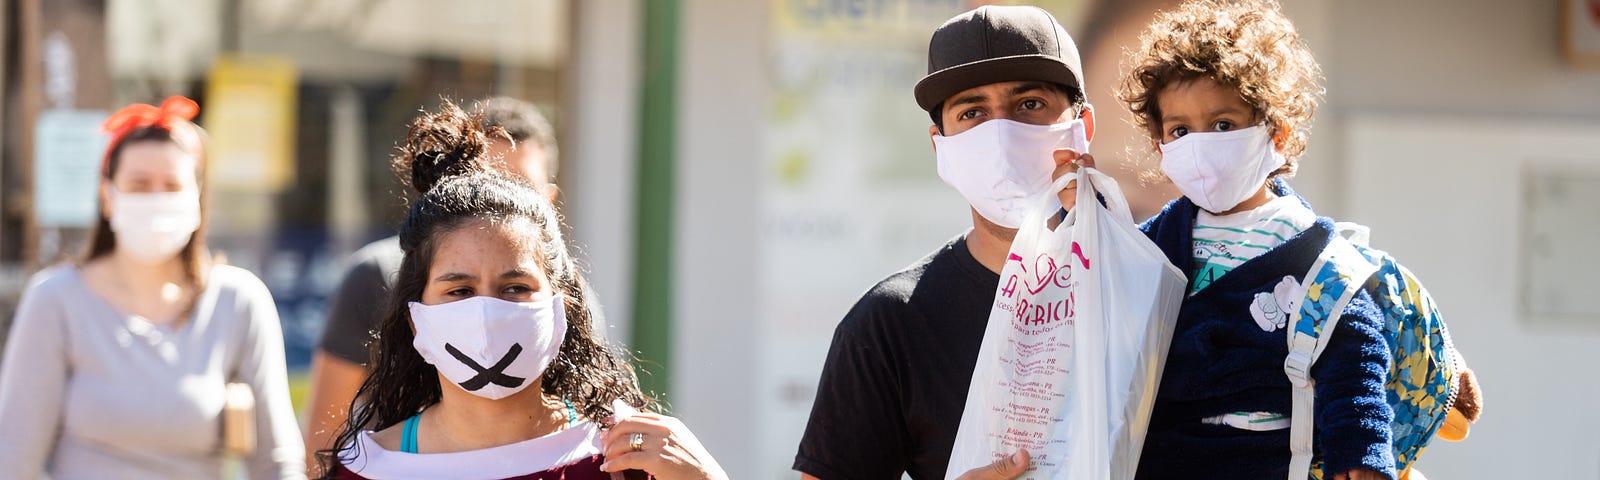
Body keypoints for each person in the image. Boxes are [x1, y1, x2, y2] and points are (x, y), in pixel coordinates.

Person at [1054, 0, 1394, 478]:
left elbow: (1354, 356)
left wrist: (1361, 453)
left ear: (1277, 133)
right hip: (1162, 457)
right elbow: (1107, 288)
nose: (1200, 144)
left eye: (1222, 125)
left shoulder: (1316, 254)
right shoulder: (1157, 241)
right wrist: (1082, 215)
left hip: (1265, 461)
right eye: (1180, 130)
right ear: (1160, 146)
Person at [318, 101, 725, 480]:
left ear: (561, 308)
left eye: (515, 286)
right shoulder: (368, 469)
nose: (487, 313)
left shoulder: (632, 458)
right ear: (415, 317)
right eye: (459, 290)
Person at [794, 6, 1099, 479]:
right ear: (943, 149)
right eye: (972, 112)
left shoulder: (1157, 288)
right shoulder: (889, 326)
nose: (1000, 133)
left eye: (1030, 104)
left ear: (1083, 128)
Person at [0, 96, 305, 478]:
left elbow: (277, 461)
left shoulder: (239, 302)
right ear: (107, 196)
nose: (156, 199)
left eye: (172, 185)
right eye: (139, 184)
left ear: (197, 199)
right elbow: (15, 458)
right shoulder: (55, 299)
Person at [303, 96, 562, 474]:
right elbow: (323, 440)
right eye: (458, 291)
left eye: (519, 187)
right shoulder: (375, 275)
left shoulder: (563, 294)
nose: (498, 204)